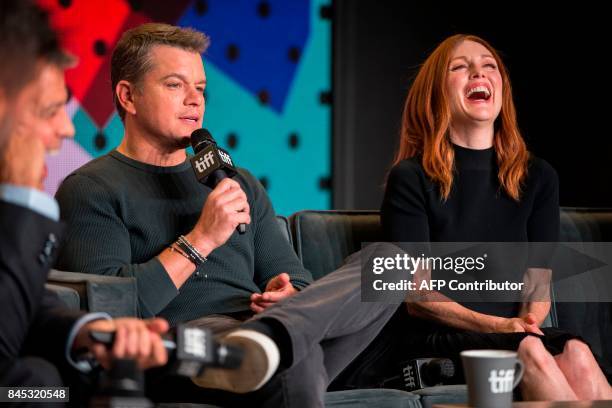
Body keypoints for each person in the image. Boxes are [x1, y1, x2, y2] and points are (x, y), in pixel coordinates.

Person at [54, 22, 412, 407]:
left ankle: (273, 338)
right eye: (175, 85)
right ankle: (276, 343)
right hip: (190, 346)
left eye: (201, 89)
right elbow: (110, 315)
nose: (195, 100)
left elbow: (298, 281)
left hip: (265, 333)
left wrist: (287, 294)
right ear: (128, 95)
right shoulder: (91, 188)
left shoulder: (237, 181)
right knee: (295, 358)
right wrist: (201, 240)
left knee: (391, 263)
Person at [380, 33, 612, 400]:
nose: (479, 73)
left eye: (489, 66)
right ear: (436, 93)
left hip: (516, 332)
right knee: (532, 351)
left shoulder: (539, 177)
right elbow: (416, 294)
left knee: (578, 353)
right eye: (460, 67)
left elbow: (539, 280)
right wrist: (506, 327)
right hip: (439, 337)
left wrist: (527, 323)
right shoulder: (411, 177)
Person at [0, 1, 170, 401]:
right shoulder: (85, 190)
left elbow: (30, 309)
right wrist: (22, 203)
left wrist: (90, 333)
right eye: (50, 110)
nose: (64, 128)